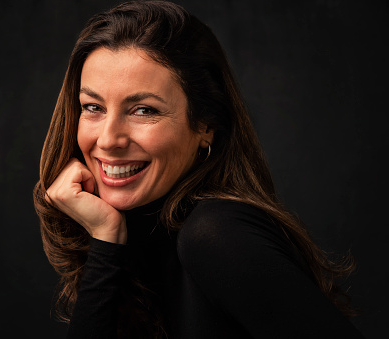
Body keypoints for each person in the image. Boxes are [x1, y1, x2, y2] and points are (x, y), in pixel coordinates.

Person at [33, 1, 363, 337]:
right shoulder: (133, 239)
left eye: (144, 110)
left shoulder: (216, 234)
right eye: (93, 107)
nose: (108, 139)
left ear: (205, 125)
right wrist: (106, 237)